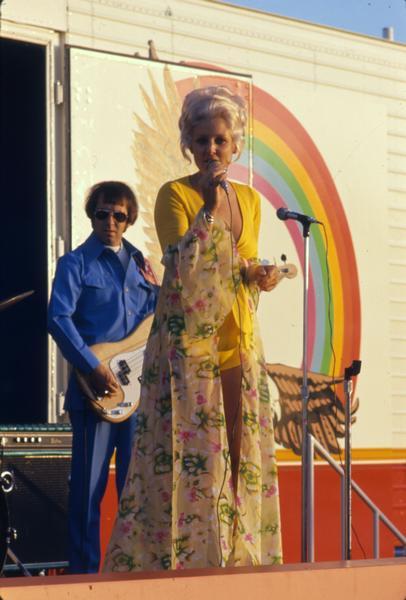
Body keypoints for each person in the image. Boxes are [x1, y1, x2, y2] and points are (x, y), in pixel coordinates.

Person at [104, 87, 282, 571]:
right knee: (193, 459)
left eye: (220, 140)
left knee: (239, 456)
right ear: (188, 142)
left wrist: (259, 274)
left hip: (238, 342)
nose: (211, 150)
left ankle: (236, 555)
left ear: (235, 144)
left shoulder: (248, 198)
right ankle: (184, 561)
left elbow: (238, 264)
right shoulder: (175, 194)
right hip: (188, 348)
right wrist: (206, 205)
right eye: (201, 140)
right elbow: (180, 269)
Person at [48, 181, 159, 574]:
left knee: (135, 491)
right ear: (91, 215)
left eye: (119, 215)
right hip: (93, 393)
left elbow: (157, 321)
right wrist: (90, 366)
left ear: (129, 221)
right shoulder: (75, 264)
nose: (110, 222)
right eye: (102, 213)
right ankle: (83, 577)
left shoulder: (142, 264)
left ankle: (133, 572)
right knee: (87, 492)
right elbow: (57, 319)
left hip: (138, 399)